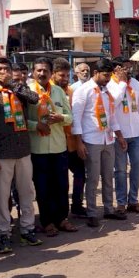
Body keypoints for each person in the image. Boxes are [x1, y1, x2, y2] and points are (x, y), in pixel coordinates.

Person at [0, 57, 40, 252]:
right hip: (1, 153)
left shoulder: (18, 91)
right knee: (1, 196)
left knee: (27, 192)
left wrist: (15, 85)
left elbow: (35, 98)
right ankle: (4, 233)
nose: (3, 72)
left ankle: (27, 229)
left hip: (23, 149)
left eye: (6, 69)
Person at [71, 58, 127, 227]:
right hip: (91, 140)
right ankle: (92, 212)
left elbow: (111, 116)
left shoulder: (107, 90)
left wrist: (120, 135)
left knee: (108, 176)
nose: (108, 78)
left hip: (108, 139)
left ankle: (109, 209)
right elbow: (76, 118)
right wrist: (79, 143)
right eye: (105, 75)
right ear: (96, 73)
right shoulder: (83, 91)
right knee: (93, 178)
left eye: (110, 75)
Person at [26, 57, 76, 237]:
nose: (42, 73)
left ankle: (62, 218)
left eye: (45, 70)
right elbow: (22, 119)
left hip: (58, 147)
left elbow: (70, 117)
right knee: (43, 188)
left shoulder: (58, 91)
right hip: (38, 149)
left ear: (50, 73)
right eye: (38, 70)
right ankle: (47, 222)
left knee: (62, 186)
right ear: (33, 73)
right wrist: (35, 125)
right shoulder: (28, 92)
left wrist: (61, 118)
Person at [108, 58, 139, 215]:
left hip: (137, 134)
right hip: (119, 135)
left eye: (128, 67)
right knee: (120, 170)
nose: (127, 71)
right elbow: (112, 105)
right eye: (123, 68)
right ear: (116, 70)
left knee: (138, 167)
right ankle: (121, 203)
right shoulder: (110, 85)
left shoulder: (136, 84)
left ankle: (133, 200)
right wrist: (122, 84)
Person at [54, 57, 87, 217]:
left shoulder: (72, 91)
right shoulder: (48, 92)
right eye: (62, 75)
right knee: (61, 182)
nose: (65, 79)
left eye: (67, 76)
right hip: (56, 143)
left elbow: (76, 117)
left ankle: (77, 205)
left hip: (73, 142)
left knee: (80, 174)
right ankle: (61, 213)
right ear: (53, 74)